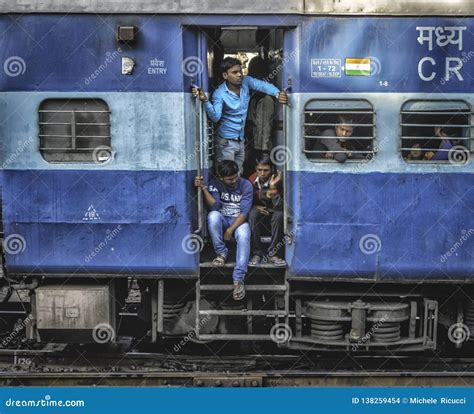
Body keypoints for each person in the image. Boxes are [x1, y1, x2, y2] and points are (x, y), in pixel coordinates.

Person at [192, 57, 288, 173]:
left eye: (240, 71)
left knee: (238, 174)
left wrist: (278, 93)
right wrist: (206, 101)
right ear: (225, 75)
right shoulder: (219, 94)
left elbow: (262, 85)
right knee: (226, 175)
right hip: (225, 143)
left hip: (240, 140)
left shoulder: (246, 82)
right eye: (234, 72)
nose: (239, 75)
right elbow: (215, 117)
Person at [194, 160, 252, 301]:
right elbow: (214, 206)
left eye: (235, 177)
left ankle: (238, 280)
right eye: (229, 179)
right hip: (223, 218)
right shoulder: (215, 183)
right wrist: (204, 188)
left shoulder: (246, 185)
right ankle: (221, 253)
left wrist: (230, 231)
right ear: (221, 178)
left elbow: (244, 213)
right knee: (213, 216)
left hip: (238, 221)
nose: (233, 181)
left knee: (244, 235)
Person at [247, 157, 286, 267]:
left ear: (272, 169)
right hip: (260, 213)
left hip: (274, 211)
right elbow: (246, 200)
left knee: (279, 215)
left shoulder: (278, 180)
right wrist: (254, 206)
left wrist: (273, 187)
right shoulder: (251, 180)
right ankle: (257, 253)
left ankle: (274, 253)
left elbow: (278, 205)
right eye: (259, 170)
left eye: (266, 170)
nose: (262, 173)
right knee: (252, 213)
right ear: (255, 169)